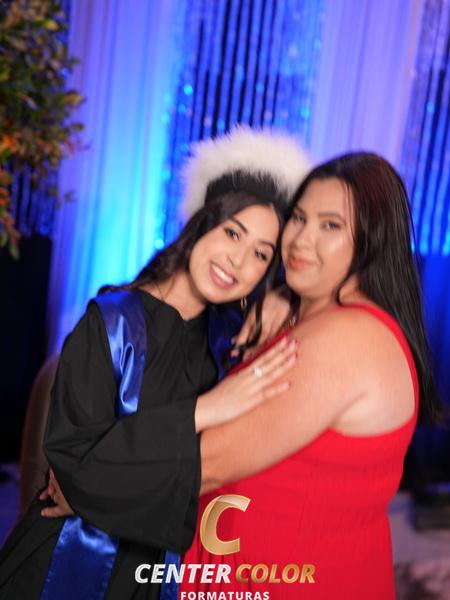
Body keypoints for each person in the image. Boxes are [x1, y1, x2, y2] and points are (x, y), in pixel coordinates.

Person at [0, 127, 310, 600]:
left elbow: (207, 481)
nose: (238, 261)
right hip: (66, 566)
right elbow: (73, 465)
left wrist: (283, 298)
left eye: (260, 255)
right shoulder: (111, 323)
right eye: (232, 232)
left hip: (158, 574)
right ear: (201, 222)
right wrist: (205, 410)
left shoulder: (229, 342)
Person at [181, 151, 442, 599]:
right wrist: (284, 297)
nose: (301, 240)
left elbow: (205, 465)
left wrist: (87, 482)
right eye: (299, 218)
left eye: (330, 226)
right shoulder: (310, 315)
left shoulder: (348, 337)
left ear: (373, 240)